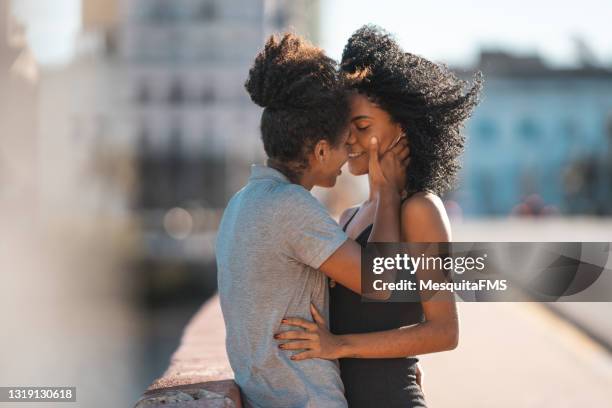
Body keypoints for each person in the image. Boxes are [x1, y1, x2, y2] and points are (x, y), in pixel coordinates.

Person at [275, 25, 482, 407]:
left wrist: (340, 346)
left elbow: (445, 331)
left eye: (363, 127)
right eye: (343, 128)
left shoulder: (420, 209)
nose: (348, 140)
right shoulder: (350, 215)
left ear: (401, 128)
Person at [216, 32, 409, 408]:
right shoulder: (290, 206)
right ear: (321, 150)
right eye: (343, 142)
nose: (349, 151)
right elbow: (381, 282)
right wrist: (387, 194)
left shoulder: (240, 203)